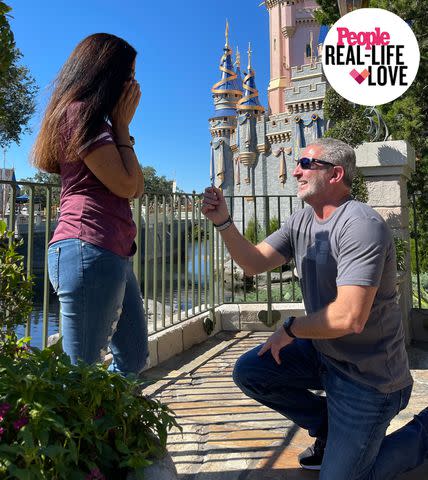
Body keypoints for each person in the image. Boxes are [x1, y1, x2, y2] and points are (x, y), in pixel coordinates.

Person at [202, 137, 428, 479]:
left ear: (336, 174)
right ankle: (330, 430)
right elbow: (252, 262)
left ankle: (423, 431)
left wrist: (290, 328)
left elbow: (349, 318)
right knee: (251, 371)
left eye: (307, 164)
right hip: (325, 358)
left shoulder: (360, 226)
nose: (295, 171)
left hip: (369, 380)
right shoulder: (300, 221)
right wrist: (223, 222)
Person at [32, 33, 148, 376]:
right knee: (80, 373)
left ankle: (108, 428)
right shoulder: (79, 114)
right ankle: (79, 428)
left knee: (134, 356)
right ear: (105, 74)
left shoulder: (103, 126)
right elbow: (127, 184)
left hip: (111, 250)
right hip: (87, 247)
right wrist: (123, 126)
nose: (133, 86)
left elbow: (137, 187)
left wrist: (121, 131)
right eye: (128, 76)